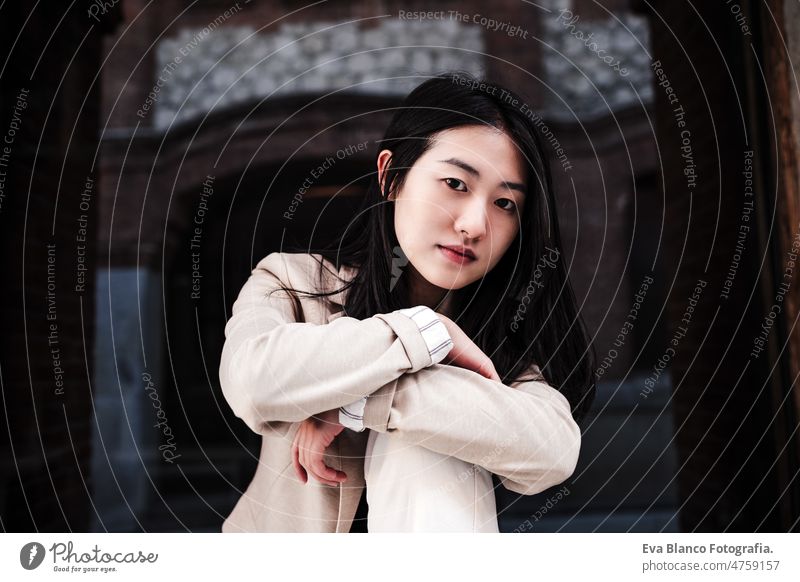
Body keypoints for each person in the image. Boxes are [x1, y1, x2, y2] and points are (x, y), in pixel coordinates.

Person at [219, 71, 596, 533]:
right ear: (390, 176)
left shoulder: (501, 346)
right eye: (456, 184)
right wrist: (429, 332)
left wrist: (355, 404)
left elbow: (554, 452)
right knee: (444, 405)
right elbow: (251, 381)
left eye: (506, 204)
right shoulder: (290, 281)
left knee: (431, 436)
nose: (474, 225)